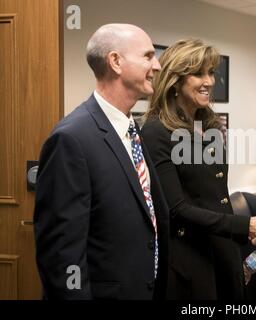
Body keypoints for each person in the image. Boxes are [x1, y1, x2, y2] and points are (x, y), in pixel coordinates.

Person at [34, 24, 169, 300]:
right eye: (147, 56)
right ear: (116, 62)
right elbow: (61, 256)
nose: (156, 65)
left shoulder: (132, 129)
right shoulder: (71, 139)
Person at [140, 39, 256, 299]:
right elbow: (177, 209)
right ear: (175, 80)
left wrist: (240, 245)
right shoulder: (155, 131)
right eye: (198, 73)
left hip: (224, 250)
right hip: (190, 261)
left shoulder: (210, 127)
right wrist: (245, 225)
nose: (210, 81)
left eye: (211, 72)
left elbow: (217, 196)